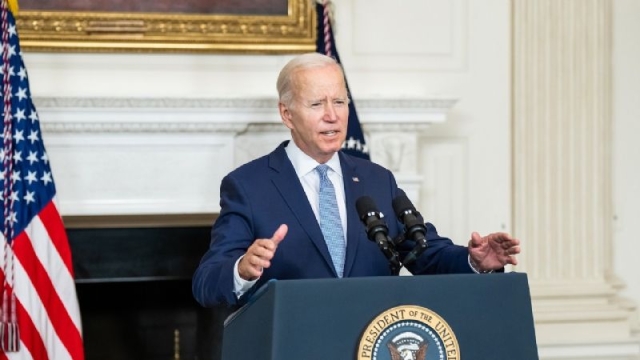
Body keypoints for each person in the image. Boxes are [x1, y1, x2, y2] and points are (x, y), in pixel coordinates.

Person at [192, 52, 520, 308]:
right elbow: (206, 282)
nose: (332, 115)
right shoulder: (249, 186)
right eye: (317, 104)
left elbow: (425, 252)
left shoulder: (377, 180)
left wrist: (473, 260)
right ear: (287, 114)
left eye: (339, 101)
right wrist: (242, 269)